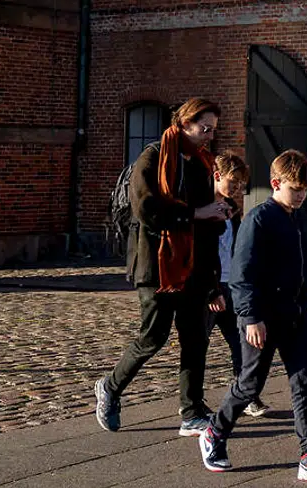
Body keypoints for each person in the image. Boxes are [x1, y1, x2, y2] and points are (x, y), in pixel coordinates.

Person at [198, 150, 307, 482]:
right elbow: (242, 274)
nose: (301, 195)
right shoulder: (259, 219)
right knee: (250, 384)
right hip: (262, 319)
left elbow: (301, 267)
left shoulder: (298, 219)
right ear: (275, 183)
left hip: (295, 316)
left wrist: (304, 300)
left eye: (305, 190)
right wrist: (250, 317)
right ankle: (215, 432)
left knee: (304, 383)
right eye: (296, 189)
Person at [95, 98, 229, 436]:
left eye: (213, 129)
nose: (209, 136)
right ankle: (110, 386)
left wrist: (217, 221)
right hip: (156, 265)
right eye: (204, 129)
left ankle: (192, 412)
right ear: (184, 123)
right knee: (152, 337)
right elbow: (147, 209)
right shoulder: (153, 157)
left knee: (195, 338)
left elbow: (207, 221)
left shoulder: (201, 164)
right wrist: (195, 214)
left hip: (193, 267)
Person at [203, 151, 269, 418]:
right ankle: (193, 404)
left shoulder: (232, 210)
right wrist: (211, 289)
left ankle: (247, 396)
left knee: (241, 344)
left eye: (241, 184)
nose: (238, 189)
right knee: (199, 347)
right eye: (233, 182)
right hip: (210, 288)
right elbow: (201, 254)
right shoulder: (203, 209)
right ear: (217, 177)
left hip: (232, 285)